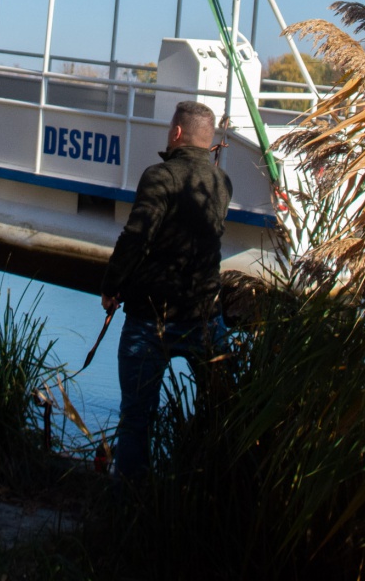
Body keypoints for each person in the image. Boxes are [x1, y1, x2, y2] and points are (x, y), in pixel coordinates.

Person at [101, 98, 234, 479]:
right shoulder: (222, 183)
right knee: (220, 409)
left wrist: (111, 286)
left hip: (150, 318)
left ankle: (132, 500)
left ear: (176, 132)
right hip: (204, 318)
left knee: (136, 418)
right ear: (209, 141)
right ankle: (203, 486)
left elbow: (136, 237)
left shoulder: (159, 176)